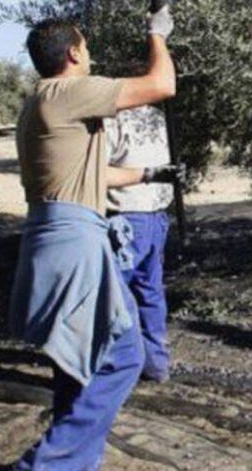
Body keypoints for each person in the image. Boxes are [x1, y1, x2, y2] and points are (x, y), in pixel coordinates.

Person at [9, 7, 183, 470]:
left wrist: (149, 173)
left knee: (76, 357)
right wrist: (157, 35)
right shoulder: (71, 91)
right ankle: (47, 465)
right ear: (72, 52)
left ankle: (74, 464)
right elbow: (162, 84)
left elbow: (90, 173)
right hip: (75, 242)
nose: (89, 55)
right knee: (124, 355)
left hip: (49, 236)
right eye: (85, 47)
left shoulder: (38, 103)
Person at [105, 104, 176, 383]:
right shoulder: (158, 116)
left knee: (116, 293)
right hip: (156, 215)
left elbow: (97, 171)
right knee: (150, 291)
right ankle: (156, 364)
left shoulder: (112, 119)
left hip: (125, 217)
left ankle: (120, 366)